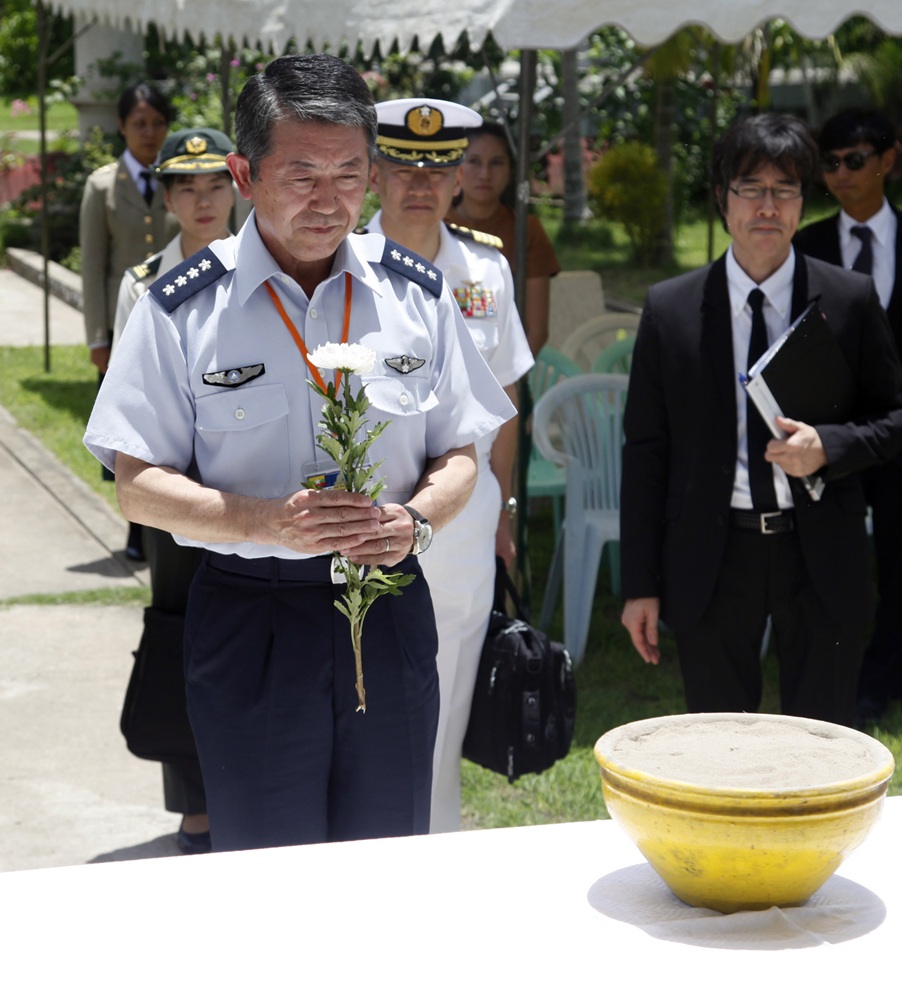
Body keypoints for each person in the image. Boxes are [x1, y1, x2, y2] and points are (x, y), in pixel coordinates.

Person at [84, 53, 513, 851]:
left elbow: (462, 453)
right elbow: (138, 487)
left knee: (386, 852)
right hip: (254, 616)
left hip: (386, 609)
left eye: (350, 174)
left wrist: (414, 523)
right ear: (244, 174)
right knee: (266, 866)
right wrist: (265, 522)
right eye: (303, 175)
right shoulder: (181, 308)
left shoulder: (414, 297)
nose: (330, 200)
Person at [619, 113, 902, 726]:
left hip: (819, 551)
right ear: (722, 200)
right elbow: (646, 450)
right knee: (720, 744)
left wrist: (828, 445)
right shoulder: (671, 309)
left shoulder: (847, 299)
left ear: (803, 204)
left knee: (823, 739)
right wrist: (638, 584)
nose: (766, 207)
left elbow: (898, 418)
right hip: (713, 550)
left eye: (784, 191)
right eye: (750, 189)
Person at [365, 98, 534, 833]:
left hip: (463, 521)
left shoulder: (485, 271)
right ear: (373, 174)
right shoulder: (339, 265)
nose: (420, 184)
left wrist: (507, 513)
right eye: (403, 167)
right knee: (362, 691)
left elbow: (506, 400)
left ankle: (434, 836)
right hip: (367, 515)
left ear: (458, 179)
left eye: (438, 168)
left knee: (449, 686)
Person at [794, 109, 902, 725]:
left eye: (855, 160)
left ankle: (882, 683)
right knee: (835, 559)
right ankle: (835, 670)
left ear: (888, 159)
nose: (841, 175)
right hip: (835, 429)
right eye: (831, 163)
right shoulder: (808, 243)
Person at [111, 127, 240, 855]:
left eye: (216, 185)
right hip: (173, 494)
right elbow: (127, 403)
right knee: (180, 637)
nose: (203, 200)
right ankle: (194, 804)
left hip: (248, 487)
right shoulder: (143, 284)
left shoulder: (268, 266)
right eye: (187, 187)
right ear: (166, 198)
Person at [81, 83, 179, 560]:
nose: (149, 133)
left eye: (158, 123)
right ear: (121, 126)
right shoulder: (102, 185)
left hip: (174, 321)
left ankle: (159, 525)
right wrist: (97, 336)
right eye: (139, 123)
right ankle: (137, 528)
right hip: (123, 321)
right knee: (129, 428)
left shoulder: (182, 179)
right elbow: (93, 265)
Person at [446, 119, 560, 357]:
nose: (485, 174)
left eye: (496, 163)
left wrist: (505, 384)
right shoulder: (434, 225)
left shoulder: (527, 231)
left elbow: (536, 331)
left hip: (504, 375)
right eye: (474, 161)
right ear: (457, 168)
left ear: (511, 170)